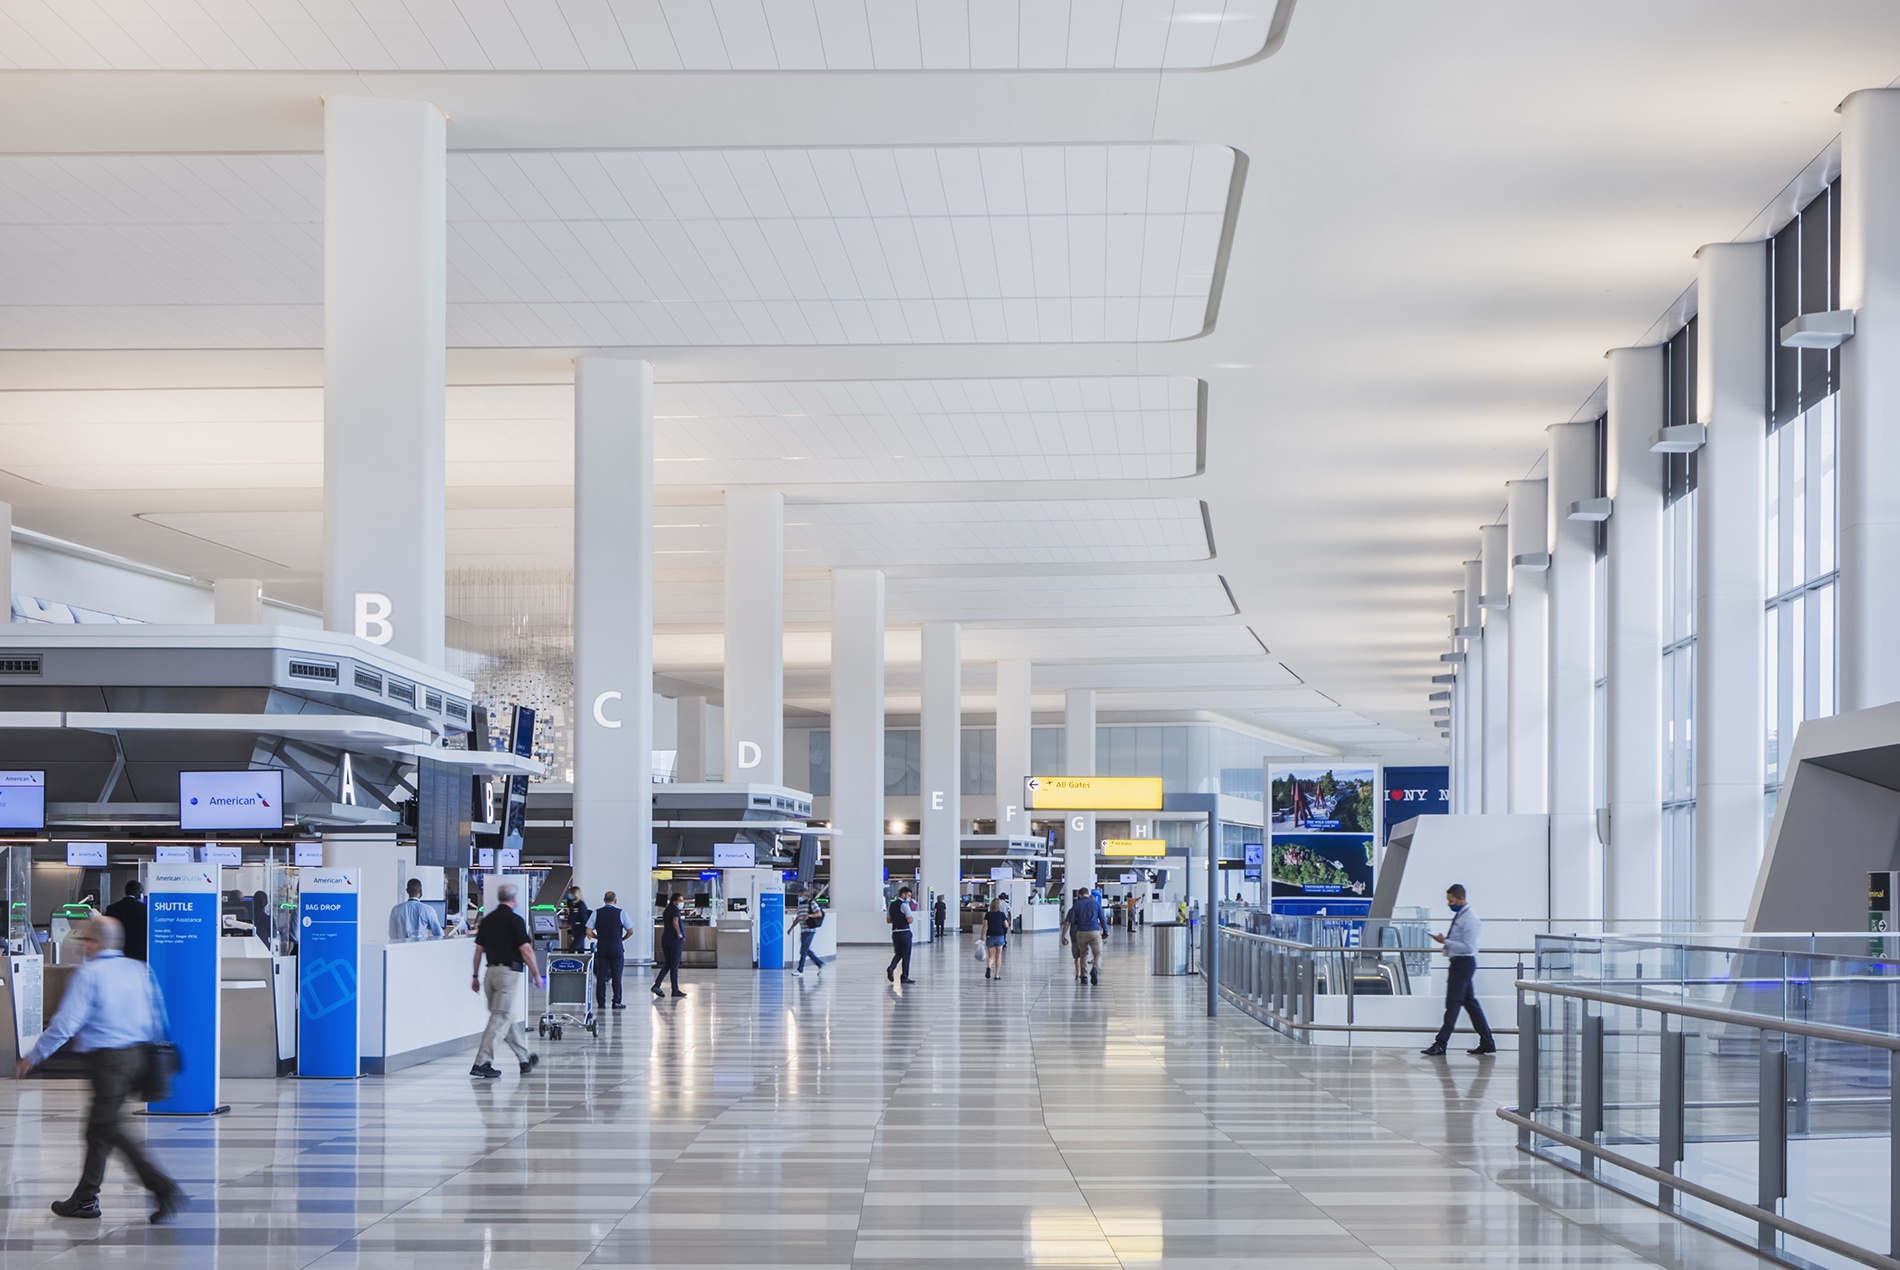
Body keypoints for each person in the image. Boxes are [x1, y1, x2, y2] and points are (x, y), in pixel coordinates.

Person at [15, 917, 184, 1224]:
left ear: (95, 943)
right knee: (97, 1129)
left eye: (85, 941)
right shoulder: (139, 969)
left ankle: (162, 1187)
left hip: (109, 1062)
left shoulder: (89, 974)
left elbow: (66, 1023)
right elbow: (157, 1015)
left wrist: (33, 1057)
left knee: (108, 1127)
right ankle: (85, 1198)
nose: (82, 948)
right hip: (140, 1056)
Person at [469, 883, 543, 1079]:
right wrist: (536, 974)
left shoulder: (488, 920)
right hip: (507, 975)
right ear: (514, 899)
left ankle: (524, 1059)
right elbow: (526, 950)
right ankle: (482, 1062)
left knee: (506, 1016)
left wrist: (475, 976)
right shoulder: (515, 920)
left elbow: (478, 950)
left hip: (489, 974)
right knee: (500, 1017)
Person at [1422, 883, 1496, 1058]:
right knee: (1470, 1004)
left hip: (1463, 963)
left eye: (1451, 900)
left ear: (1461, 898)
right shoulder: (1461, 916)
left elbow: (1468, 947)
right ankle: (1487, 1041)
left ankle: (1441, 1043)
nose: (1449, 904)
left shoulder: (1469, 919)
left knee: (1453, 1004)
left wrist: (1445, 942)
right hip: (1459, 963)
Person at [587, 890, 632, 1009]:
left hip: (602, 946)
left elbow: (588, 931)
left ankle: (601, 1002)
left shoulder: (596, 913)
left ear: (604, 900)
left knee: (601, 976)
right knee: (617, 975)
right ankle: (616, 1001)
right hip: (616, 946)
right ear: (615, 901)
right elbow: (630, 930)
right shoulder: (621, 913)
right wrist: (622, 939)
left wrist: (597, 937)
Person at [1062, 886, 1106, 984]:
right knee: (1098, 954)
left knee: (1083, 954)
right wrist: (1105, 932)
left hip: (1081, 932)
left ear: (1080, 895)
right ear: (1088, 893)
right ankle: (1095, 969)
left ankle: (1084, 977)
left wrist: (1063, 936)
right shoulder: (1096, 903)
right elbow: (1102, 919)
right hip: (1094, 931)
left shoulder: (1076, 905)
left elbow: (1070, 921)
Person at [103, 880, 147, 962]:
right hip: (138, 954)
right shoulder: (144, 909)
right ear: (139, 893)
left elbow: (106, 930)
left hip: (117, 953)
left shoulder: (111, 908)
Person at [652, 894, 687, 998]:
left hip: (665, 939)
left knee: (668, 964)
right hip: (674, 940)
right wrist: (679, 934)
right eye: (680, 900)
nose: (682, 902)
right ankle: (675, 990)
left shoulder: (667, 910)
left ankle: (657, 985)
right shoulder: (675, 910)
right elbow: (675, 922)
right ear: (674, 901)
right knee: (674, 965)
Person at [788, 887, 825, 974]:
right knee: (805, 949)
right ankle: (819, 963)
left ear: (806, 896)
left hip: (810, 930)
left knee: (803, 950)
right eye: (798, 896)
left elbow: (819, 913)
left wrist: (809, 916)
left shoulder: (811, 903)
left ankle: (800, 970)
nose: (799, 897)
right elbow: (798, 918)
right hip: (803, 931)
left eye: (800, 895)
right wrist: (791, 928)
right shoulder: (800, 905)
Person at [886, 886, 915, 983]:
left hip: (895, 933)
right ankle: (904, 976)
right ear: (903, 894)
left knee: (898, 953)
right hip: (905, 932)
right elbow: (909, 920)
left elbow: (888, 920)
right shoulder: (905, 905)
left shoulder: (891, 905)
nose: (909, 898)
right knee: (906, 955)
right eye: (909, 895)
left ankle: (891, 967)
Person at [982, 896, 1009, 980]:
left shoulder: (988, 914)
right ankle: (997, 975)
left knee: (990, 956)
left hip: (990, 936)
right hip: (1000, 936)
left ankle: (989, 967)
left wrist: (982, 936)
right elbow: (1006, 925)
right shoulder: (1002, 914)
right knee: (998, 956)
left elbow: (985, 926)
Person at [560, 885, 591, 952]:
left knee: (573, 947)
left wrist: (587, 930)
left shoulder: (581, 904)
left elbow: (584, 917)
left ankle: (569, 961)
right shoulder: (574, 905)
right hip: (575, 929)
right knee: (580, 949)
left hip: (581, 930)